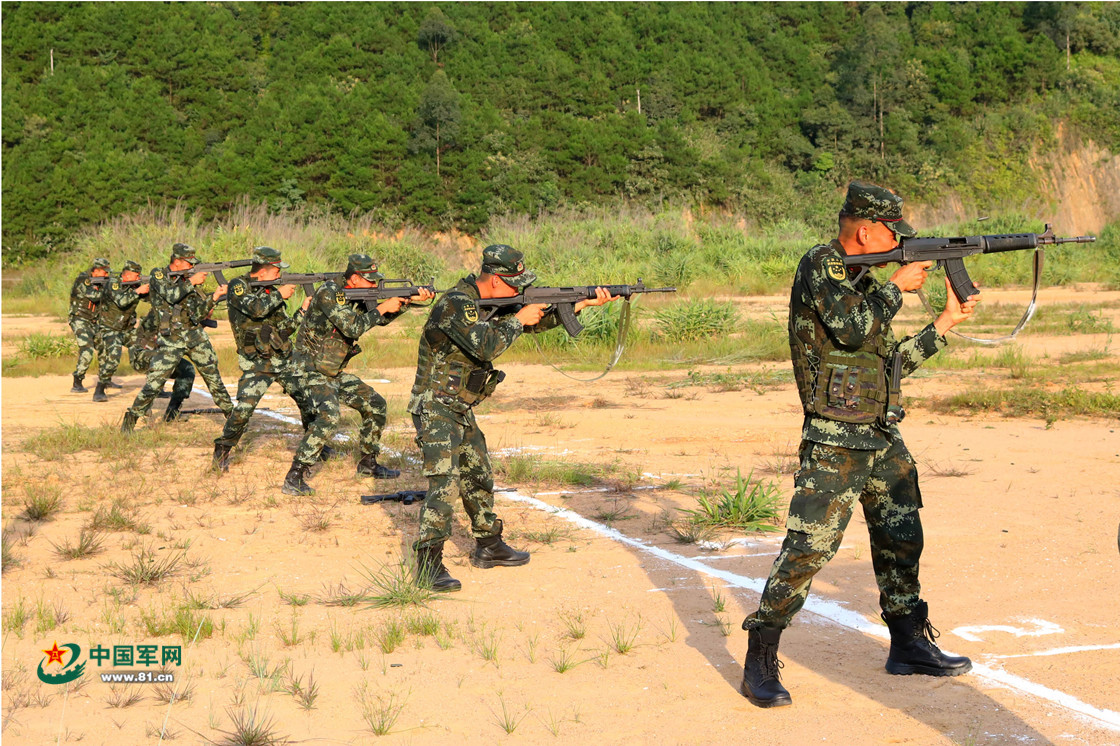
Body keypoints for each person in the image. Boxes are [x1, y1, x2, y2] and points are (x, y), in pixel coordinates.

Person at [739, 181, 983, 708]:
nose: (899, 241)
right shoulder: (821, 265)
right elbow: (852, 330)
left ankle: (908, 642)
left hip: (879, 433)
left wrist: (943, 324)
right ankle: (760, 653)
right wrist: (898, 285)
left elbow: (888, 366)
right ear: (867, 228)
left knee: (902, 536)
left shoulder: (865, 283)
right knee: (808, 549)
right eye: (893, 232)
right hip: (833, 440)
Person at [408, 244, 618, 592]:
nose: (519, 293)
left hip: (458, 405)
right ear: (492, 281)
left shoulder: (485, 303)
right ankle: (429, 565)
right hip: (435, 406)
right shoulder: (455, 305)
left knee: (478, 475)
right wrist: (519, 318)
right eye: (513, 285)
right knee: (444, 484)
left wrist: (579, 304)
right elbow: (486, 345)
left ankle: (489, 546)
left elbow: (527, 324)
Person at [282, 253, 434, 495]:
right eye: (370, 281)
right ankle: (295, 476)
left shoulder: (356, 293)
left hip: (331, 371)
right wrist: (384, 306)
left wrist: (405, 302)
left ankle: (368, 464)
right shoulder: (328, 293)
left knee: (375, 404)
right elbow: (353, 326)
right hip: (306, 370)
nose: (374, 285)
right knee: (329, 417)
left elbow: (380, 320)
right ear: (353, 279)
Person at [212, 246, 316, 472]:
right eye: (277, 270)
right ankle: (222, 450)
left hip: (283, 357)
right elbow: (255, 310)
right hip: (257, 361)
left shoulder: (269, 292)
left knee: (308, 400)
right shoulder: (238, 286)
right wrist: (280, 293)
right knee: (244, 410)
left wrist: (301, 312)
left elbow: (284, 329)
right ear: (264, 270)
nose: (279, 275)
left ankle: (314, 446)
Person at [121, 243, 233, 432]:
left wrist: (214, 297)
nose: (191, 267)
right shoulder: (159, 275)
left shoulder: (187, 281)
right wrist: (192, 282)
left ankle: (233, 418)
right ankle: (130, 420)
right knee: (155, 382)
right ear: (177, 261)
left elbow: (197, 314)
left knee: (213, 377)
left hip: (195, 336)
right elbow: (170, 295)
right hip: (171, 339)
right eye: (188, 263)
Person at [92, 260, 150, 402]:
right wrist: (138, 291)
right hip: (109, 329)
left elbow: (149, 299)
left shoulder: (134, 285)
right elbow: (121, 301)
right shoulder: (113, 284)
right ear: (128, 275)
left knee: (146, 350)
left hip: (127, 329)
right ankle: (100, 388)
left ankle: (154, 386)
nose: (138, 278)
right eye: (136, 276)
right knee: (113, 358)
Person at [68, 257, 110, 393]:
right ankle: (77, 381)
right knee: (87, 349)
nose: (107, 275)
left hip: (93, 321)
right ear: (96, 271)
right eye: (104, 272)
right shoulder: (83, 280)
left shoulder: (100, 281)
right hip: (79, 319)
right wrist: (110, 289)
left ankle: (105, 379)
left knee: (104, 346)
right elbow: (94, 296)